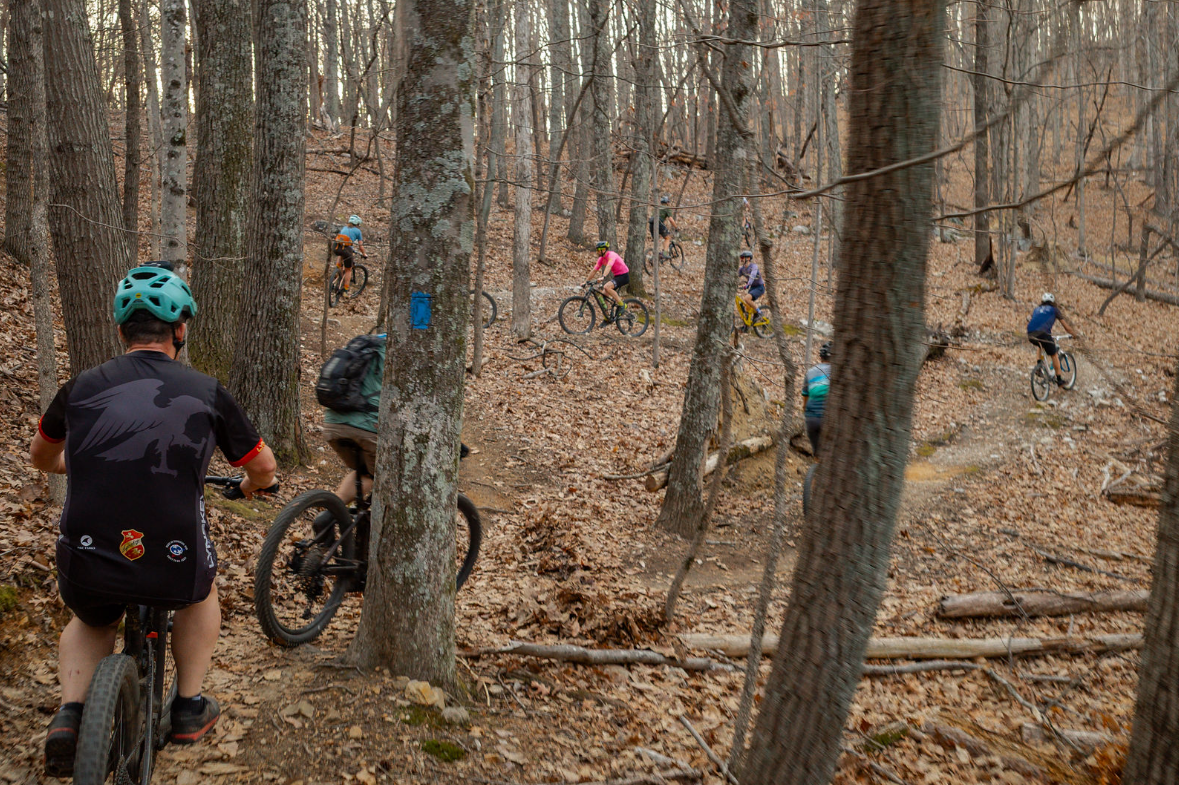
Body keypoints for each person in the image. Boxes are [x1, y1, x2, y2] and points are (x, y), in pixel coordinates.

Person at [31, 264, 277, 777]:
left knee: (92, 618)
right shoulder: (206, 391)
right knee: (200, 594)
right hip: (172, 556)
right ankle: (188, 706)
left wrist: (69, 462)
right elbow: (263, 466)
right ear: (181, 329)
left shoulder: (79, 388)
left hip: (88, 552)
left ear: (121, 329)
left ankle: (70, 716)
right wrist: (255, 487)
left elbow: (42, 455)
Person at [322, 335, 385, 505]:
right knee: (375, 475)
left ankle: (333, 513)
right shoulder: (404, 354)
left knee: (363, 471)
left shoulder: (368, 343)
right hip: (367, 427)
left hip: (333, 423)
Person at [1026, 293, 1076, 386]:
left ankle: (1039, 367)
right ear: (1053, 302)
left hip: (1030, 333)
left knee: (1040, 344)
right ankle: (1059, 380)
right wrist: (1074, 335)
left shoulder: (1037, 309)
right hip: (1043, 333)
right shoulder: (1054, 310)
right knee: (1054, 354)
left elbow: (1028, 318)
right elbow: (1066, 327)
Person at [802, 342, 832, 456]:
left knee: (818, 455)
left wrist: (805, 412)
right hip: (828, 419)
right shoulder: (838, 372)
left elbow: (805, 396)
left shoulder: (810, 372)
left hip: (812, 420)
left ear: (820, 357)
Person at [587, 240, 629, 313]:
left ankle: (622, 305)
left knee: (607, 287)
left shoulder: (611, 255)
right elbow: (594, 270)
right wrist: (586, 281)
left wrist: (603, 276)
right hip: (616, 276)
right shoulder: (601, 259)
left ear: (603, 250)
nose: (597, 252)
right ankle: (607, 317)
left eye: (598, 250)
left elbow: (609, 266)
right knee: (603, 297)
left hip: (624, 275)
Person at [333, 215, 368, 292]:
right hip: (346, 249)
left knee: (341, 254)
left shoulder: (344, 228)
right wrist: (364, 254)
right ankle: (345, 289)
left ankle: (337, 272)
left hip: (336, 247)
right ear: (357, 224)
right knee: (348, 269)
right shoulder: (358, 231)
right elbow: (360, 246)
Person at [735, 249, 765, 328]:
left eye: (742, 257)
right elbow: (735, 276)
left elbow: (752, 276)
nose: (741, 259)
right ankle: (746, 326)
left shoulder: (754, 267)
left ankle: (759, 312)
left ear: (748, 258)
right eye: (741, 258)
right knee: (747, 307)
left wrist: (748, 284)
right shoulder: (742, 269)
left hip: (760, 287)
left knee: (747, 299)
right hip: (752, 287)